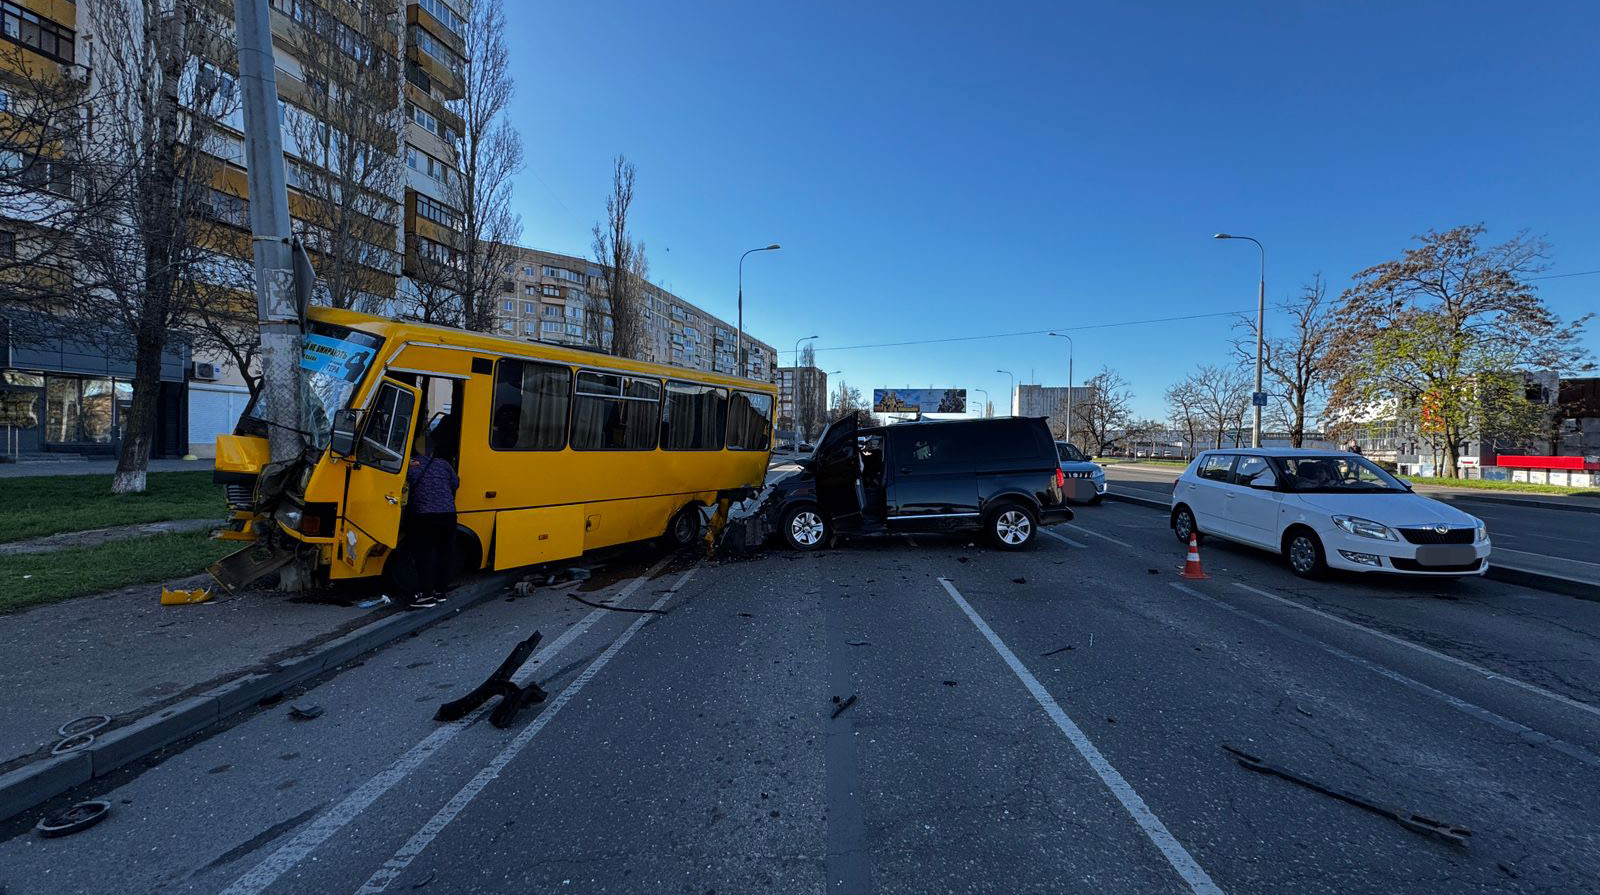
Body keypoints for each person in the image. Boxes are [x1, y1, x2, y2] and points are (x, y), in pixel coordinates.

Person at [403, 434, 459, 610]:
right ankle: (440, 592)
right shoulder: (444, 464)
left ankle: (426, 596)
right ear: (433, 449)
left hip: (425, 516)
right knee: (445, 554)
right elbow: (455, 484)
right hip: (448, 515)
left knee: (425, 555)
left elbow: (402, 485)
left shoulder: (412, 467)